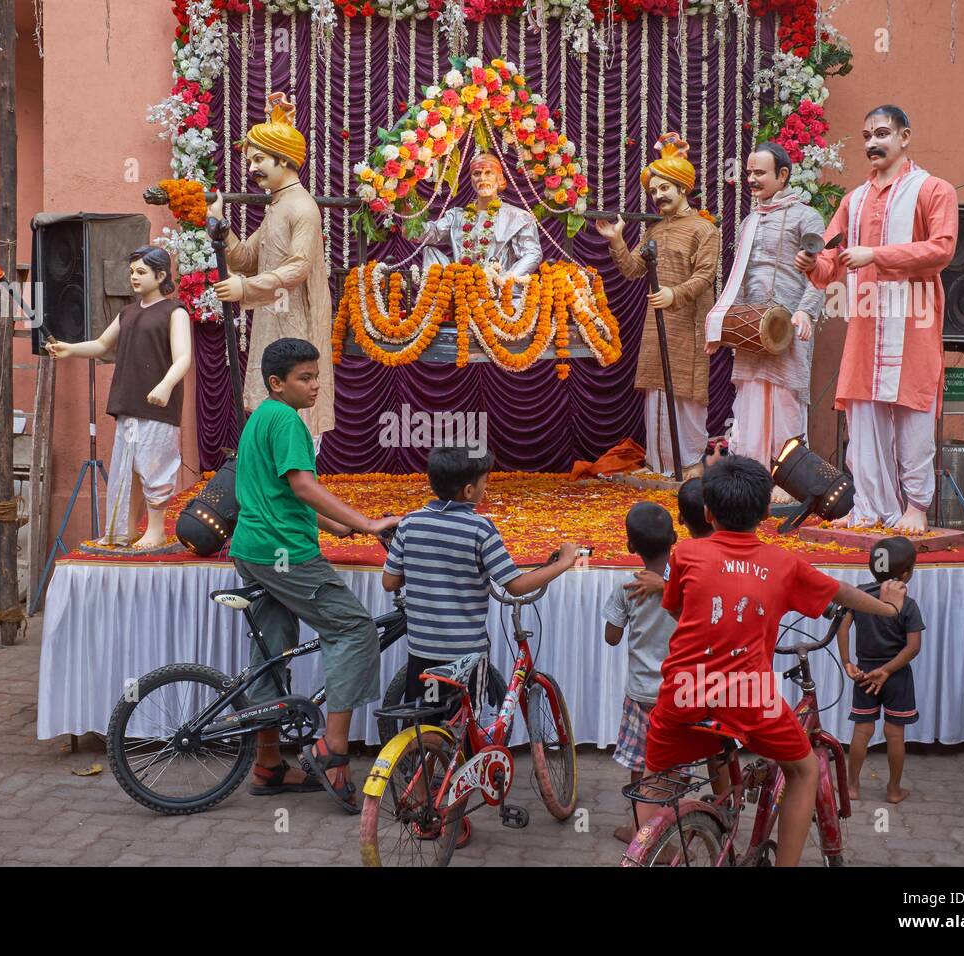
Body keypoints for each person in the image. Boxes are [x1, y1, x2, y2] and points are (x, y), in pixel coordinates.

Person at [641, 456, 907, 866]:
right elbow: (841, 593)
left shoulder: (686, 554)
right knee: (803, 770)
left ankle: (653, 853)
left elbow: (677, 608)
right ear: (767, 512)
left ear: (708, 513)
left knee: (653, 782)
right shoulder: (783, 564)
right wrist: (889, 609)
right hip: (748, 697)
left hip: (682, 690)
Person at [231, 337, 401, 808]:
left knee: (272, 648)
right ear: (276, 383)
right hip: (284, 553)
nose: (314, 385)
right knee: (354, 628)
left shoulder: (261, 417)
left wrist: (339, 526)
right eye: (304, 378)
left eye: (315, 376)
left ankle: (268, 765)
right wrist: (366, 522)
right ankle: (334, 747)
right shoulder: (287, 421)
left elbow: (279, 491)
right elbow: (303, 485)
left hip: (253, 548)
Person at [381, 444, 579, 841]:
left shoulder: (411, 523)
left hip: (422, 651)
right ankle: (454, 809)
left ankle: (422, 803)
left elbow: (390, 581)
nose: (487, 489)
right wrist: (562, 563)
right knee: (464, 731)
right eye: (485, 483)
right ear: (469, 491)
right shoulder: (479, 528)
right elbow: (515, 584)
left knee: (429, 725)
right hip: (466, 654)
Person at [796, 105, 958, 532]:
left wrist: (876, 256)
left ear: (905, 136)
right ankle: (868, 505)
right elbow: (830, 261)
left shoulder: (934, 190)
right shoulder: (854, 199)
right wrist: (811, 263)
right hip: (867, 326)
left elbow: (942, 249)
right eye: (867, 135)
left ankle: (916, 507)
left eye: (882, 133)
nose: (872, 143)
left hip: (913, 322)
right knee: (863, 418)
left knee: (913, 415)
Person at [208, 92, 335, 447]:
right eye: (251, 160)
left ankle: (296, 497)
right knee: (272, 420)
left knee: (296, 428)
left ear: (285, 160)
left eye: (259, 159)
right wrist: (219, 225)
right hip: (273, 321)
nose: (251, 169)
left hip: (295, 325)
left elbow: (297, 267)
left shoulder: (302, 207)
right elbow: (246, 258)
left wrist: (244, 290)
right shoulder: (277, 207)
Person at [46, 246, 192, 549]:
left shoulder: (175, 311)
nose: (134, 278)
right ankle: (122, 529)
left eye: (141, 272)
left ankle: (155, 530)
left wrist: (165, 386)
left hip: (158, 405)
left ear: (161, 275)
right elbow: (101, 345)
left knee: (154, 464)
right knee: (128, 467)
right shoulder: (127, 312)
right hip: (128, 401)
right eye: (132, 272)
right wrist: (70, 348)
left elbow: (183, 358)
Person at [595, 133, 720, 478]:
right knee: (657, 395)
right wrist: (617, 239)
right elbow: (633, 269)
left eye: (665, 188)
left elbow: (706, 277)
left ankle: (690, 464)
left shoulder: (704, 230)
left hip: (689, 324)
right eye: (654, 191)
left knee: (685, 396)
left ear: (683, 189)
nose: (658, 196)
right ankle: (660, 465)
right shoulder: (654, 230)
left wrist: (674, 294)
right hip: (657, 323)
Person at [707, 143, 825, 491]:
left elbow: (820, 272)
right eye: (749, 173)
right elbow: (740, 279)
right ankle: (752, 478)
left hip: (788, 326)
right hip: (751, 328)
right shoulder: (750, 220)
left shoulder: (807, 216)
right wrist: (726, 326)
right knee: (752, 400)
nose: (752, 180)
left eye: (760, 173)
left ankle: (789, 483)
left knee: (785, 400)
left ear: (783, 175)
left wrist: (805, 310)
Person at [602, 501, 678, 843]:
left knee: (639, 759)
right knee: (674, 762)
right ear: (675, 538)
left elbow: (612, 637)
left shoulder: (626, 586)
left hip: (641, 693)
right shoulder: (684, 581)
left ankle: (638, 828)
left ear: (630, 546)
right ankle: (671, 824)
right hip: (679, 691)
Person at [837, 536, 924, 804]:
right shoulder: (907, 605)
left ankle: (851, 787)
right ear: (906, 574)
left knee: (862, 730)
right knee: (894, 732)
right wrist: (887, 670)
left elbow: (842, 626)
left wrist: (847, 662)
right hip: (896, 675)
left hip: (864, 673)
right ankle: (893, 789)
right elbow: (913, 648)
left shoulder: (859, 596)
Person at [419, 153, 542, 282]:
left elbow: (533, 253)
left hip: (496, 289)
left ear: (499, 179)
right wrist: (411, 222)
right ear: (471, 180)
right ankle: (437, 298)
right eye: (477, 173)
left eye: (489, 173)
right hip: (460, 284)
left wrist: (506, 279)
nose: (482, 178)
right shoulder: (456, 216)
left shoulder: (518, 217)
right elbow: (432, 233)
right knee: (430, 251)